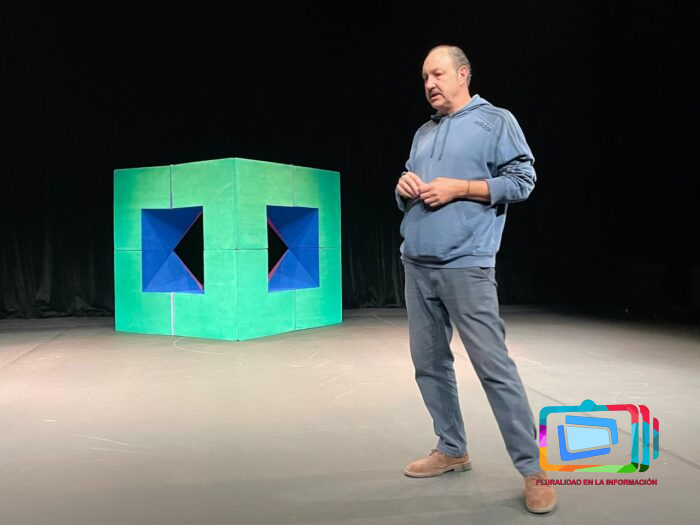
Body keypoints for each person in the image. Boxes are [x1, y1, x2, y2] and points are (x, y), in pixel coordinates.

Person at [395, 45, 556, 514]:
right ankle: (451, 449)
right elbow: (410, 188)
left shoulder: (496, 121)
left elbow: (523, 180)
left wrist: (462, 188)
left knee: (494, 368)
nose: (430, 84)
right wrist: (403, 186)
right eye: (425, 77)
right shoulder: (424, 132)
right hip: (417, 263)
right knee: (429, 364)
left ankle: (534, 470)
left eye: (438, 74)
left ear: (463, 74)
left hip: (466, 263)